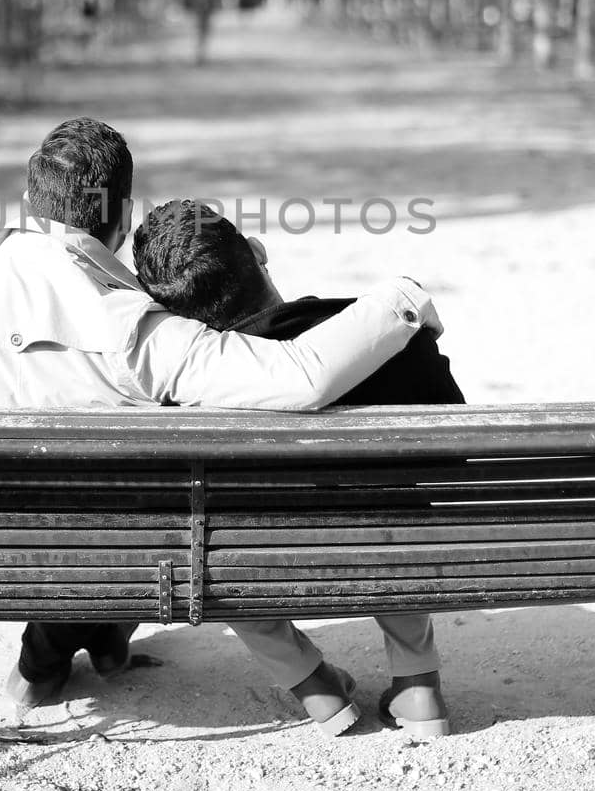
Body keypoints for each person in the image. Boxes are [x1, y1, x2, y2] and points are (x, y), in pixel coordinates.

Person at [0, 118, 444, 737]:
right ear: (120, 217)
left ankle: (55, 656)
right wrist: (399, 301)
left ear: (29, 206)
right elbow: (298, 378)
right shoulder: (134, 327)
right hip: (107, 555)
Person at [132, 198, 466, 738]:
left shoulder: (188, 394)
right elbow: (453, 459)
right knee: (395, 505)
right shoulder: (392, 341)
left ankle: (314, 686)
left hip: (262, 564)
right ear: (259, 254)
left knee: (208, 541)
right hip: (398, 548)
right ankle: (418, 684)